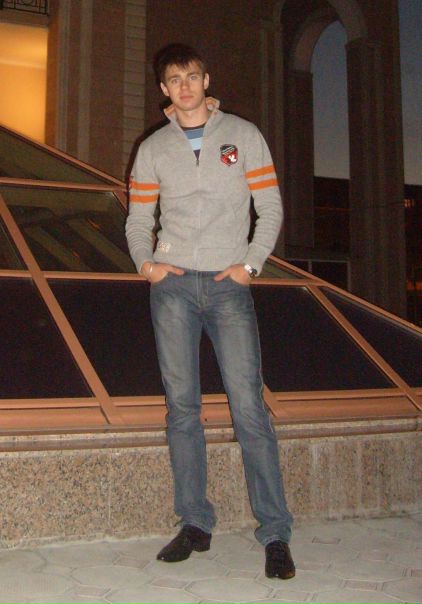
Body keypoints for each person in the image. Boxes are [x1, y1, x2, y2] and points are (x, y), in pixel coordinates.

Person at [126, 43, 295, 580]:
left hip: (228, 287)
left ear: (206, 80)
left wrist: (251, 264)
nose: (185, 87)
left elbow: (269, 206)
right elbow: (138, 218)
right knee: (182, 409)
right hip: (173, 288)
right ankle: (195, 522)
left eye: (192, 76)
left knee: (249, 409)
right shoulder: (153, 148)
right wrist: (147, 265)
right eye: (174, 80)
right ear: (163, 89)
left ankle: (275, 532)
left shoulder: (243, 136)